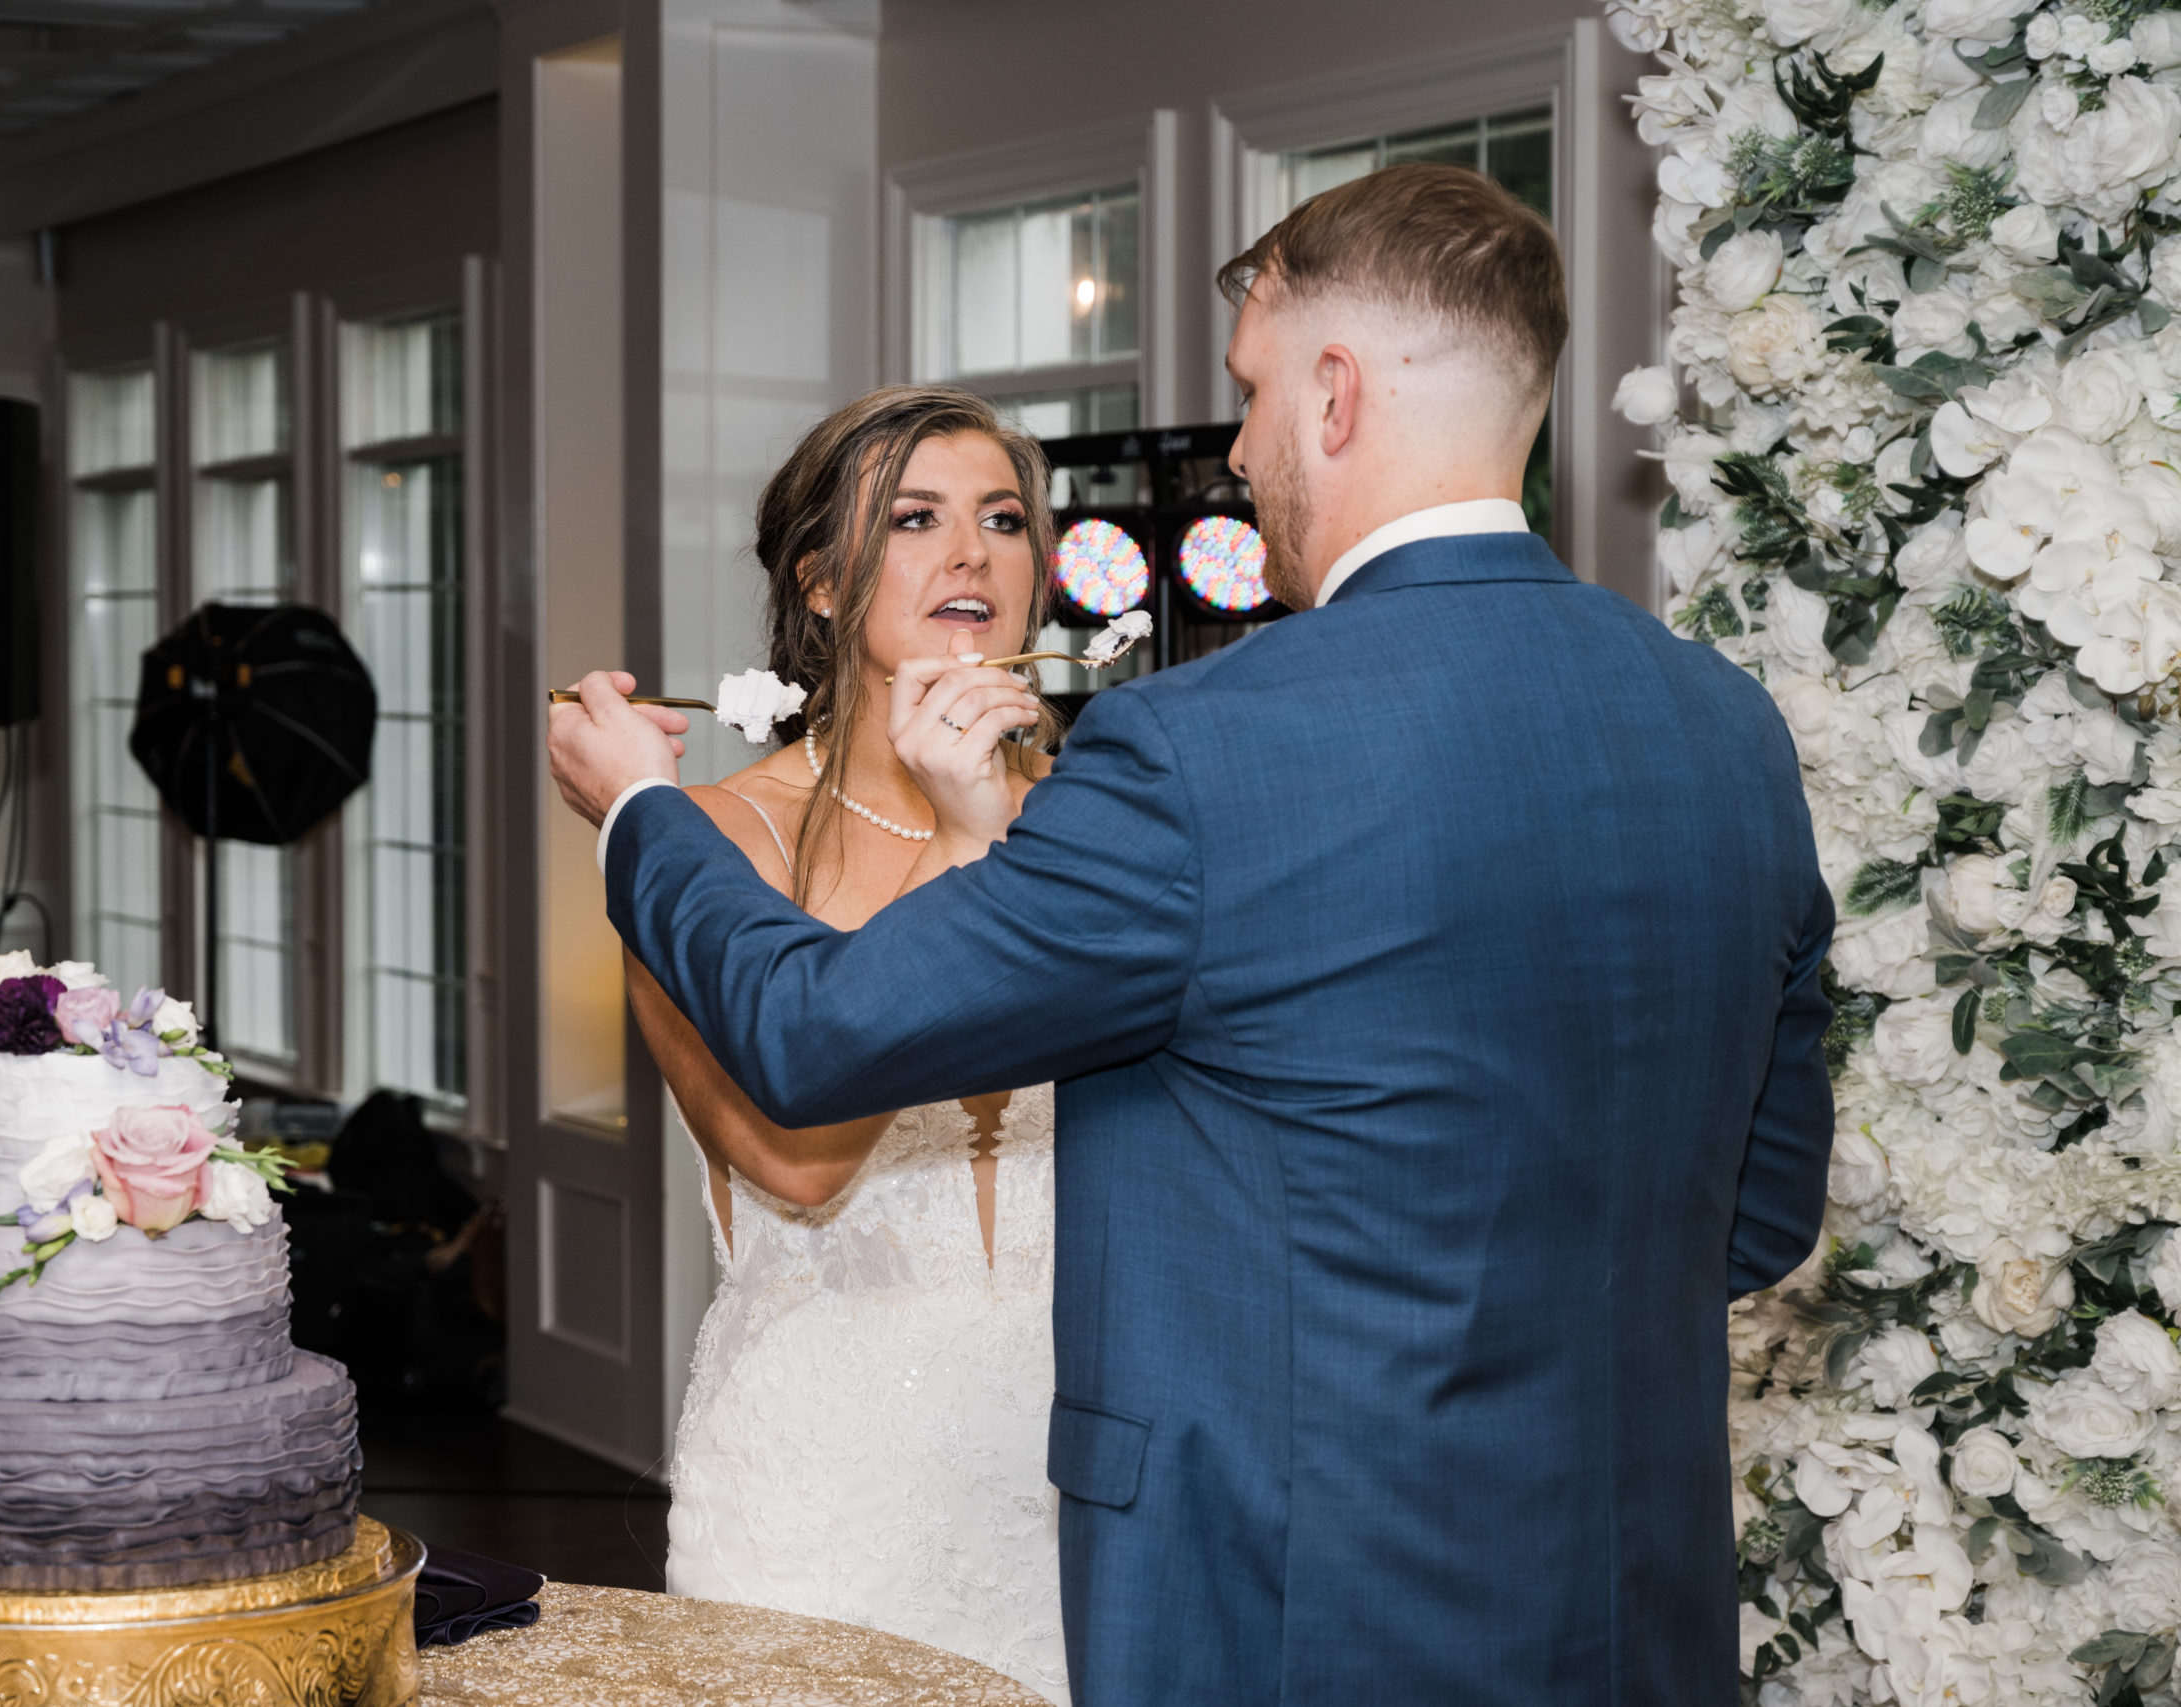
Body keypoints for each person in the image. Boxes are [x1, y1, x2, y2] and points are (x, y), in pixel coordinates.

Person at [551, 162, 1834, 1705]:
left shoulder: (1197, 749)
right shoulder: (1724, 727)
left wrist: (637, 813)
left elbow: (816, 1034)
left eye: (1251, 391)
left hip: (1302, 1600)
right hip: (1626, 1595)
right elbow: (1753, 1220)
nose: (1235, 449)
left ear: (1336, 394)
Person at [641, 386, 1069, 1702]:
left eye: (1003, 518)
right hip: (824, 1498)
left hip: (1075, 1494)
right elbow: (797, 1159)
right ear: (821, 582)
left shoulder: (1102, 817)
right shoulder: (711, 842)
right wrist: (957, 846)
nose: (973, 556)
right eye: (918, 519)